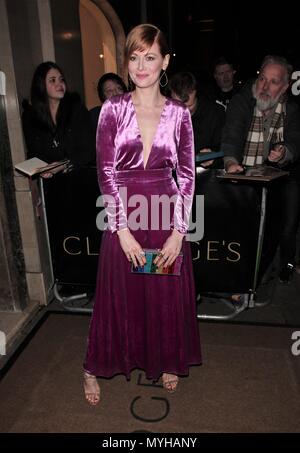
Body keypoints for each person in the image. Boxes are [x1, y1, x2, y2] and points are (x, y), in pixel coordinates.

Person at [83, 24, 201, 405]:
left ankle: (165, 359)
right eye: (134, 57)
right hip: (124, 216)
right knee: (117, 296)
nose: (141, 65)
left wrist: (178, 232)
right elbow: (105, 173)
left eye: (149, 56)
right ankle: (93, 367)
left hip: (165, 215)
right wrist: (121, 230)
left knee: (162, 292)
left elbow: (185, 175)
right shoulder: (112, 110)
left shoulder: (180, 114)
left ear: (164, 61)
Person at [222, 55, 300, 285]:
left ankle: (287, 262)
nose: (264, 87)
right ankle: (247, 271)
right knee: (247, 225)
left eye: (273, 82)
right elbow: (232, 133)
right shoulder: (241, 101)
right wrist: (230, 161)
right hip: (246, 172)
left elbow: (296, 139)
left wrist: (285, 152)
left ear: (285, 87)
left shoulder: (293, 110)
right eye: (262, 79)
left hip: (286, 176)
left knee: (287, 225)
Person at [22, 61, 95, 175]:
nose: (59, 84)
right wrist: (42, 169)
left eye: (61, 79)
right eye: (52, 80)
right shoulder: (30, 116)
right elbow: (33, 152)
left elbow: (89, 149)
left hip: (79, 178)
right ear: (41, 85)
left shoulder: (76, 110)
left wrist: (63, 164)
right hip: (51, 184)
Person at [168, 71, 225, 168]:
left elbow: (228, 147)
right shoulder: (164, 114)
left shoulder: (215, 113)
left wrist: (214, 156)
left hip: (207, 175)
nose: (184, 112)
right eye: (178, 106)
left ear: (195, 92)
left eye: (189, 106)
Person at [89, 72, 127, 137]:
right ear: (102, 96)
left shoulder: (133, 113)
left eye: (119, 88)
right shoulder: (94, 117)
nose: (115, 93)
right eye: (109, 91)